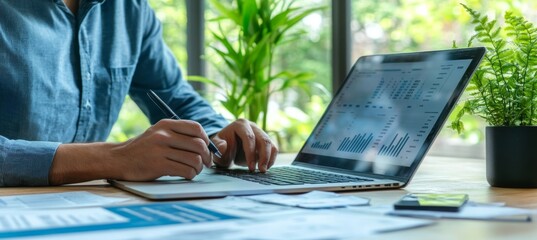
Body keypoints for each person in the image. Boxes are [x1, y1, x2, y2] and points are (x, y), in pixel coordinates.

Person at [0, 0, 278, 186]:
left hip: (83, 206)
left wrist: (219, 136)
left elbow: (172, 96)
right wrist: (114, 158)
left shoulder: (129, 9)